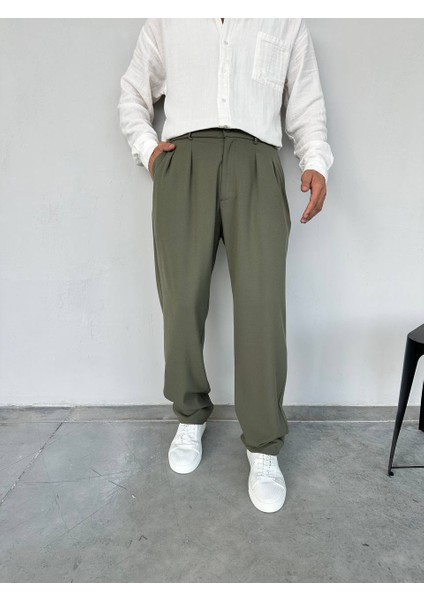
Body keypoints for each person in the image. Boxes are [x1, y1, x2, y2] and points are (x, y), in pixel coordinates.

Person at [118, 18, 334, 513]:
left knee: (262, 307)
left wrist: (315, 161)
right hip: (184, 161)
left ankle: (264, 444)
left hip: (257, 161)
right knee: (181, 299)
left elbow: (306, 101)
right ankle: (189, 414)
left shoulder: (284, 17)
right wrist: (150, 153)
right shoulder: (168, 16)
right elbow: (133, 91)